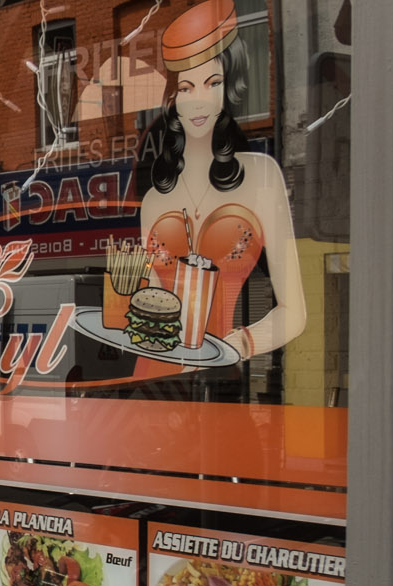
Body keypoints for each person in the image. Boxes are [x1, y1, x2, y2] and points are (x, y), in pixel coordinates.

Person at [131, 0, 307, 365]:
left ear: (232, 89)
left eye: (212, 83)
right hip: (157, 383)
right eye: (186, 88)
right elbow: (152, 307)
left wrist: (239, 346)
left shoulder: (261, 175)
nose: (197, 101)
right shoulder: (154, 200)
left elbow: (295, 312)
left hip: (222, 375)